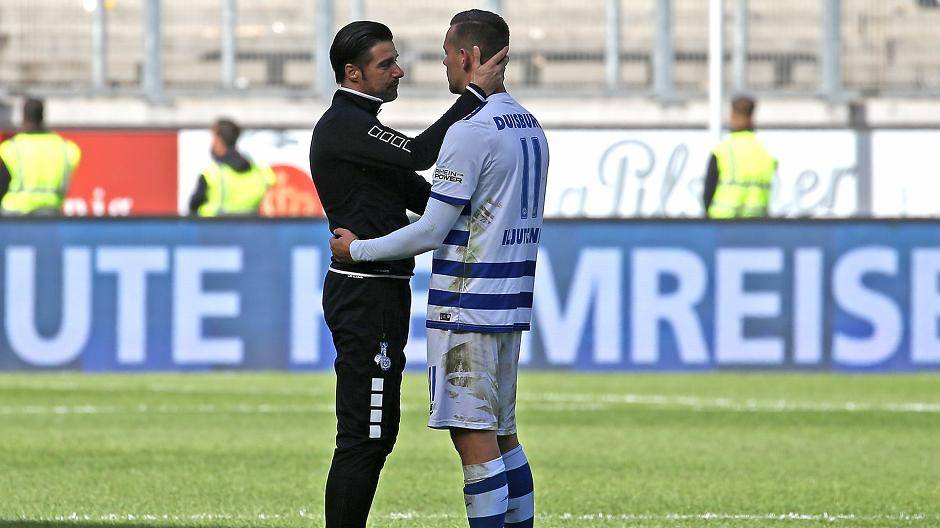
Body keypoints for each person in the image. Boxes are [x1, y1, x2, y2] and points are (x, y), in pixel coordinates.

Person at [330, 10, 543, 528]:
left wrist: (357, 249)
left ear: (469, 58)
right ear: (353, 72)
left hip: (467, 306)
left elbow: (429, 226)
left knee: (472, 440)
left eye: (448, 54)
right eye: (389, 63)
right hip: (507, 304)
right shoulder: (528, 125)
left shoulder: (472, 131)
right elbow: (436, 202)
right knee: (500, 436)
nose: (404, 70)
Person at [0, 98, 81, 216]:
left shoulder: (11, 148)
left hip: (14, 217)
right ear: (42, 117)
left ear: (23, 117)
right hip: (49, 215)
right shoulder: (65, 148)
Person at [703, 95, 777, 218]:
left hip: (722, 225)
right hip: (756, 225)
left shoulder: (722, 152)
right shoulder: (766, 154)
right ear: (752, 117)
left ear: (732, 116)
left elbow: (708, 194)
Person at [188, 118, 275, 216]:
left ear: (218, 140)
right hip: (250, 229)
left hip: (212, 228)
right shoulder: (260, 172)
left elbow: (193, 206)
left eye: (213, 138)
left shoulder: (212, 173)